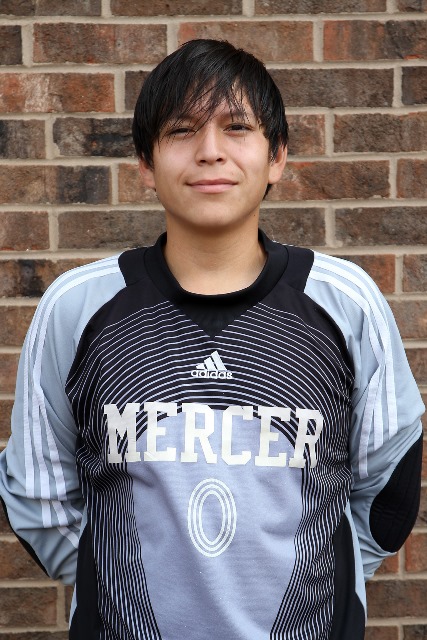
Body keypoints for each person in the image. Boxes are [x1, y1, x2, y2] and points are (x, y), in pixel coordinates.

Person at [0, 39, 424, 640]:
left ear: (277, 156)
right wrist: (115, 584)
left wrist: (321, 582)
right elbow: (38, 497)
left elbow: (388, 492)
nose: (209, 151)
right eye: (181, 130)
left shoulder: (344, 302)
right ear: (146, 165)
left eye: (236, 127)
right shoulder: (77, 308)